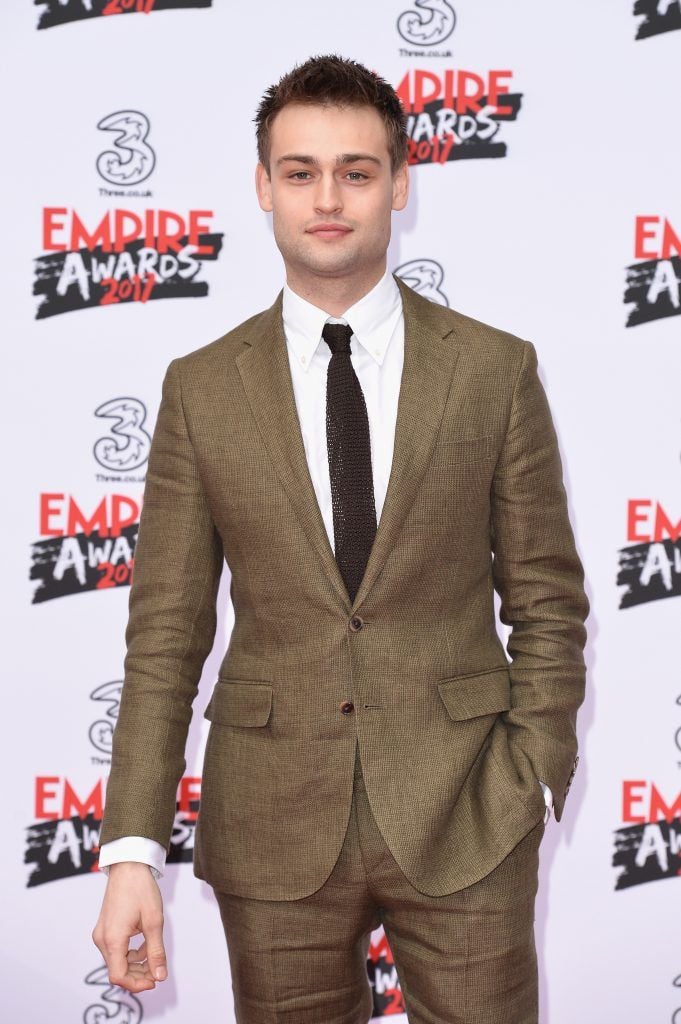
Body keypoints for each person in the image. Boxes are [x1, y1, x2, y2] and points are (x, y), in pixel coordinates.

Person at [92, 53, 589, 1023]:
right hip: (271, 820)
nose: (329, 197)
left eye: (357, 171)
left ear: (400, 185)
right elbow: (164, 637)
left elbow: (547, 600)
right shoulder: (201, 389)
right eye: (300, 171)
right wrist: (130, 851)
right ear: (264, 188)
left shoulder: (493, 370)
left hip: (467, 814)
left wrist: (531, 775)